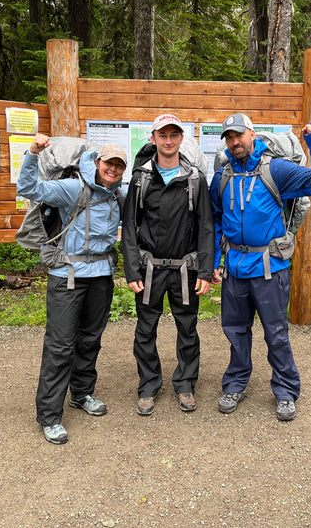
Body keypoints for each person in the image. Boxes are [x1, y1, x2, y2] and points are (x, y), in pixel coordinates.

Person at [209, 113, 311, 421]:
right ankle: (236, 384)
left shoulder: (275, 169)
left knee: (276, 333)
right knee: (236, 331)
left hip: (270, 269)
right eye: (229, 137)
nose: (234, 141)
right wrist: (214, 263)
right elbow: (214, 221)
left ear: (252, 134)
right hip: (235, 270)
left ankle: (285, 391)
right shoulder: (222, 177)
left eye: (239, 135)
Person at [16, 135, 127, 444]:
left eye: (119, 166)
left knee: (90, 339)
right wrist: (31, 154)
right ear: (97, 163)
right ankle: (49, 415)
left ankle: (81, 393)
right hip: (67, 275)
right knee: (61, 344)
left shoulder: (118, 195)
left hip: (102, 274)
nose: (113, 170)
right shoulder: (74, 188)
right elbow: (29, 189)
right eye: (109, 163)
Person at [121, 114, 214, 416]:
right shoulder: (141, 179)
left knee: (187, 328)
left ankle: (185, 383)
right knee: (145, 329)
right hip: (149, 270)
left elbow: (206, 227)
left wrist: (205, 271)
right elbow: (130, 226)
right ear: (153, 138)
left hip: (185, 270)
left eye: (174, 135)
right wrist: (132, 269)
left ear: (181, 139)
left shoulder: (195, 179)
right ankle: (148, 386)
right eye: (163, 135)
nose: (169, 140)